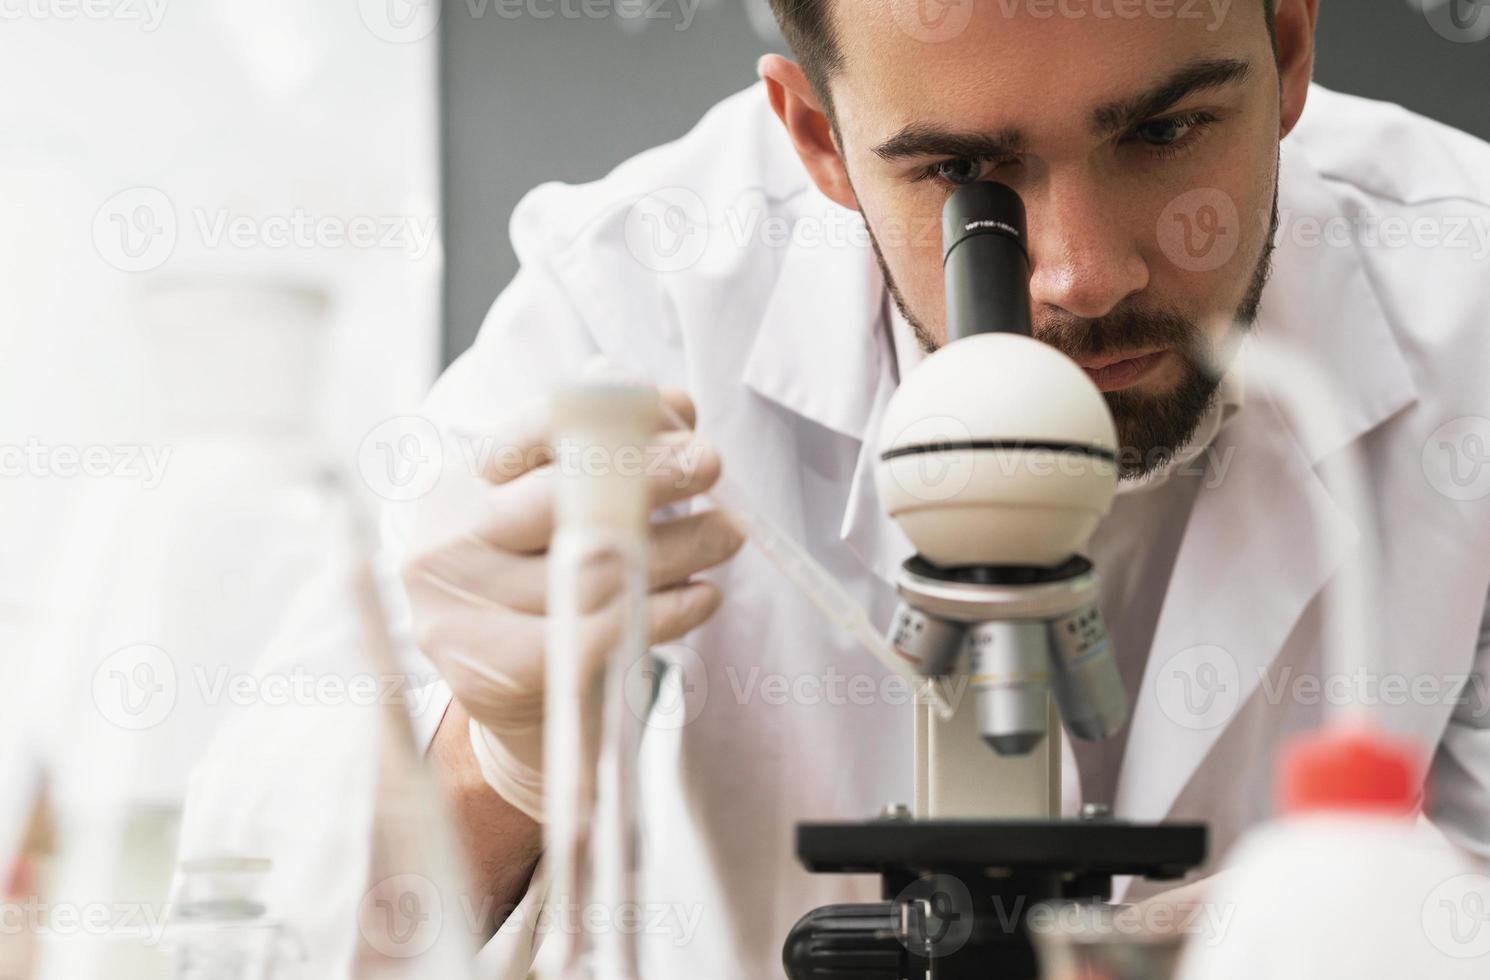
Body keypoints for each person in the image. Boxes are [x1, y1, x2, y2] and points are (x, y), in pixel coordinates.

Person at [199, 1, 1490, 977]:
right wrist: (502, 761)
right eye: (960, 178)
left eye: (1162, 133)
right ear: (816, 138)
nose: (1081, 274)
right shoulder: (637, 297)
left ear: (1287, 43)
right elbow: (249, 918)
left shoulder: (1465, 296)